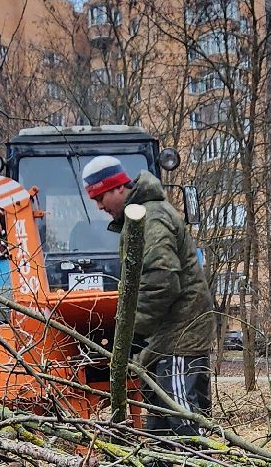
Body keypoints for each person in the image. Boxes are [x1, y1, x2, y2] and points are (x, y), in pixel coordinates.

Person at [83, 155, 217, 435]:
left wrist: (132, 332)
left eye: (99, 197)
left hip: (181, 334)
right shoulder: (140, 217)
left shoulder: (152, 216)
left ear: (118, 187)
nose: (98, 206)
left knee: (183, 416)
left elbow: (162, 280)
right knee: (159, 422)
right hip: (164, 336)